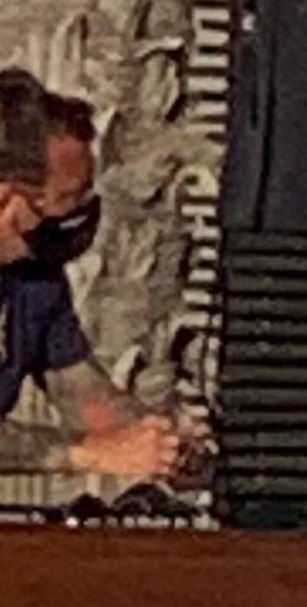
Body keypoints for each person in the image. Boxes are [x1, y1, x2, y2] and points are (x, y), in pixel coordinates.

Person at [0, 69, 182, 482]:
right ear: (8, 197)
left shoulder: (36, 281)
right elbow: (91, 448)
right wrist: (85, 455)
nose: (78, 213)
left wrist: (157, 438)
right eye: (66, 198)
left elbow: (79, 391)